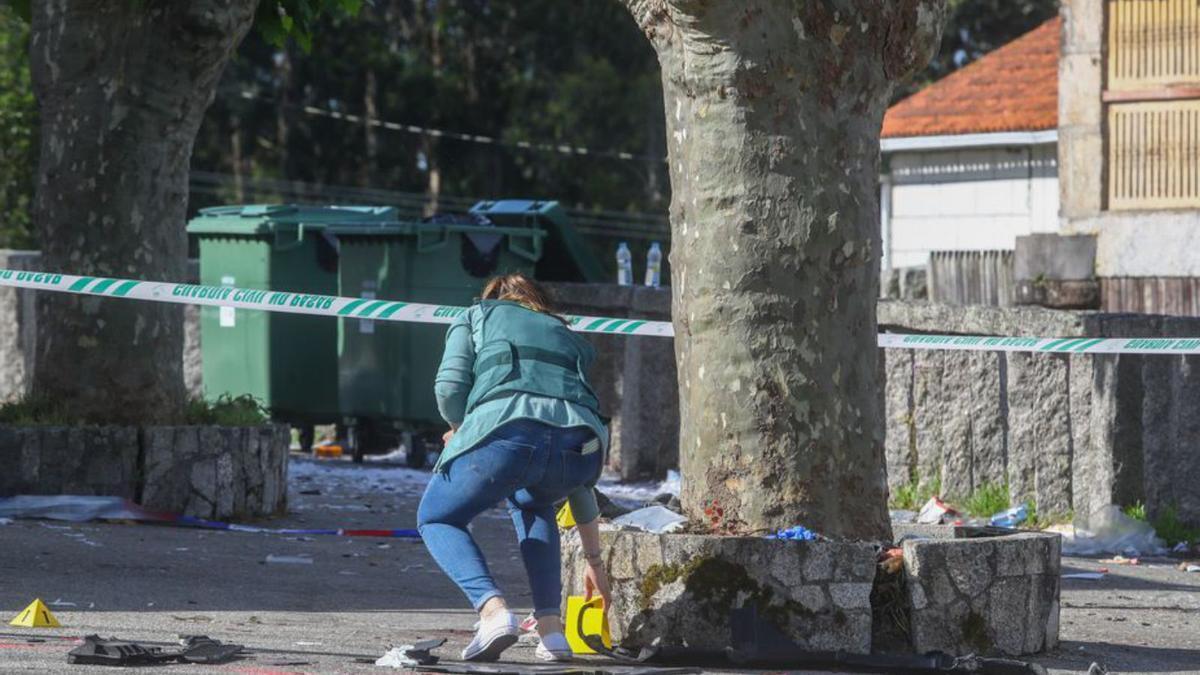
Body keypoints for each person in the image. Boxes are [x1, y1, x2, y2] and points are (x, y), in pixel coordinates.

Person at [417, 273, 613, 663]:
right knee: (533, 501)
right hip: (584, 446)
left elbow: (449, 387)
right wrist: (595, 563)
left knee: (437, 517)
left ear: (490, 299)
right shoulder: (566, 334)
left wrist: (460, 430)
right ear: (539, 302)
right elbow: (580, 489)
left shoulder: (475, 316)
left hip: (509, 430)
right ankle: (552, 631)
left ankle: (493, 613)